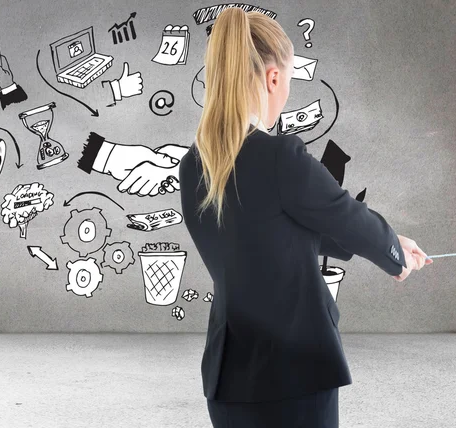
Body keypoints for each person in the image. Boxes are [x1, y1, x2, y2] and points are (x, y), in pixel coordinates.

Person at [177, 7, 432, 428]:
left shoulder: (192, 167)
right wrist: (393, 254)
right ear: (273, 77)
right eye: (289, 82)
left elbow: (271, 232)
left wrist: (393, 243)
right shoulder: (280, 156)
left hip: (228, 378)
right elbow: (343, 214)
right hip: (295, 374)